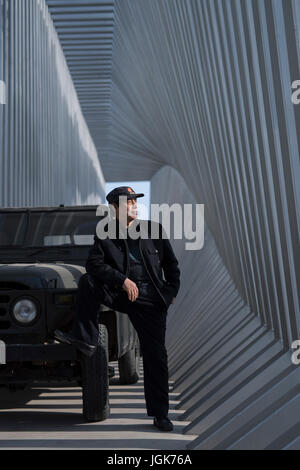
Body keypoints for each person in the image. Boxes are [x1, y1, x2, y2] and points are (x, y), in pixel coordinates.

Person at [54, 186, 181, 432]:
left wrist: (170, 293)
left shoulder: (153, 230)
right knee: (88, 282)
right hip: (122, 294)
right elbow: (93, 263)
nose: (134, 204)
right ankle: (86, 338)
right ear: (114, 208)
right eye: (128, 201)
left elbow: (171, 265)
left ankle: (160, 415)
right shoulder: (106, 233)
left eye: (135, 200)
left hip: (151, 299)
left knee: (157, 357)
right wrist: (121, 281)